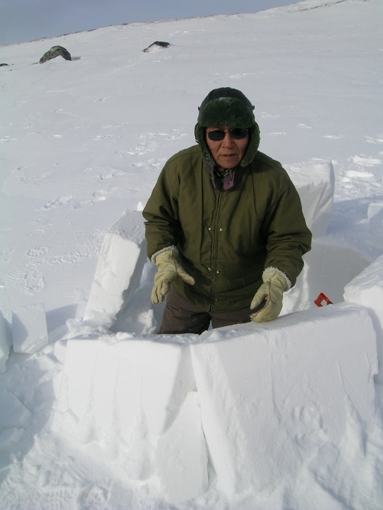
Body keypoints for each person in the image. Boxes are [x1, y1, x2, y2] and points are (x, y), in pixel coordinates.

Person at [142, 87, 312, 334]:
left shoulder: (271, 178)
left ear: (251, 134)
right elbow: (160, 218)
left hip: (243, 302)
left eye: (238, 132)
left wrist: (275, 281)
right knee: (173, 360)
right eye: (216, 134)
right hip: (186, 295)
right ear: (203, 135)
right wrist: (165, 258)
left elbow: (289, 237)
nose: (228, 143)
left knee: (238, 370)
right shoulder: (180, 168)